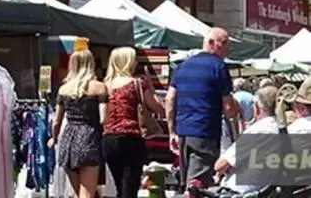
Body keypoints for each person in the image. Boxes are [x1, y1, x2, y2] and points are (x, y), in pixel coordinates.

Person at [165, 27, 239, 193]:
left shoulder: (182, 66)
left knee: (188, 182)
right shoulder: (218, 67)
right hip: (205, 132)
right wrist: (236, 116)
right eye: (225, 43)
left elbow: (170, 99)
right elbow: (228, 107)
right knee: (198, 185)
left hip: (183, 132)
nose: (228, 49)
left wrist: (172, 131)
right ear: (211, 43)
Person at [102, 47, 165, 198]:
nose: (136, 62)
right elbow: (157, 107)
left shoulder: (105, 85)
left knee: (119, 185)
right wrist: (151, 87)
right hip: (131, 137)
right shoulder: (137, 83)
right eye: (134, 59)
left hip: (108, 138)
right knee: (130, 186)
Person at [50, 50, 108, 198]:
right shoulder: (99, 87)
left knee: (77, 194)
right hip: (89, 139)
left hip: (68, 141)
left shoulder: (64, 89)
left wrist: (54, 138)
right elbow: (103, 118)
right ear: (91, 64)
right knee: (87, 194)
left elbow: (56, 121)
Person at [213, 86, 279, 194]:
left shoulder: (257, 131)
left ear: (257, 108)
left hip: (242, 191)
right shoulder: (286, 130)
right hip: (269, 189)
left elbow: (219, 166)